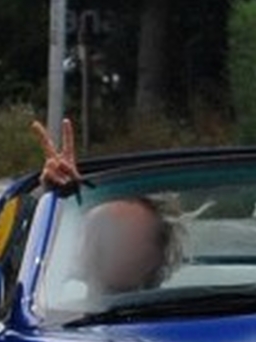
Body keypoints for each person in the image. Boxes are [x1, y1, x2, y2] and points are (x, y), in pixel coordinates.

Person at [34, 116, 180, 296]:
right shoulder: (47, 309)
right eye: (99, 232)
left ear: (155, 256)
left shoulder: (175, 317)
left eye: (121, 236)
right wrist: (56, 197)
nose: (103, 247)